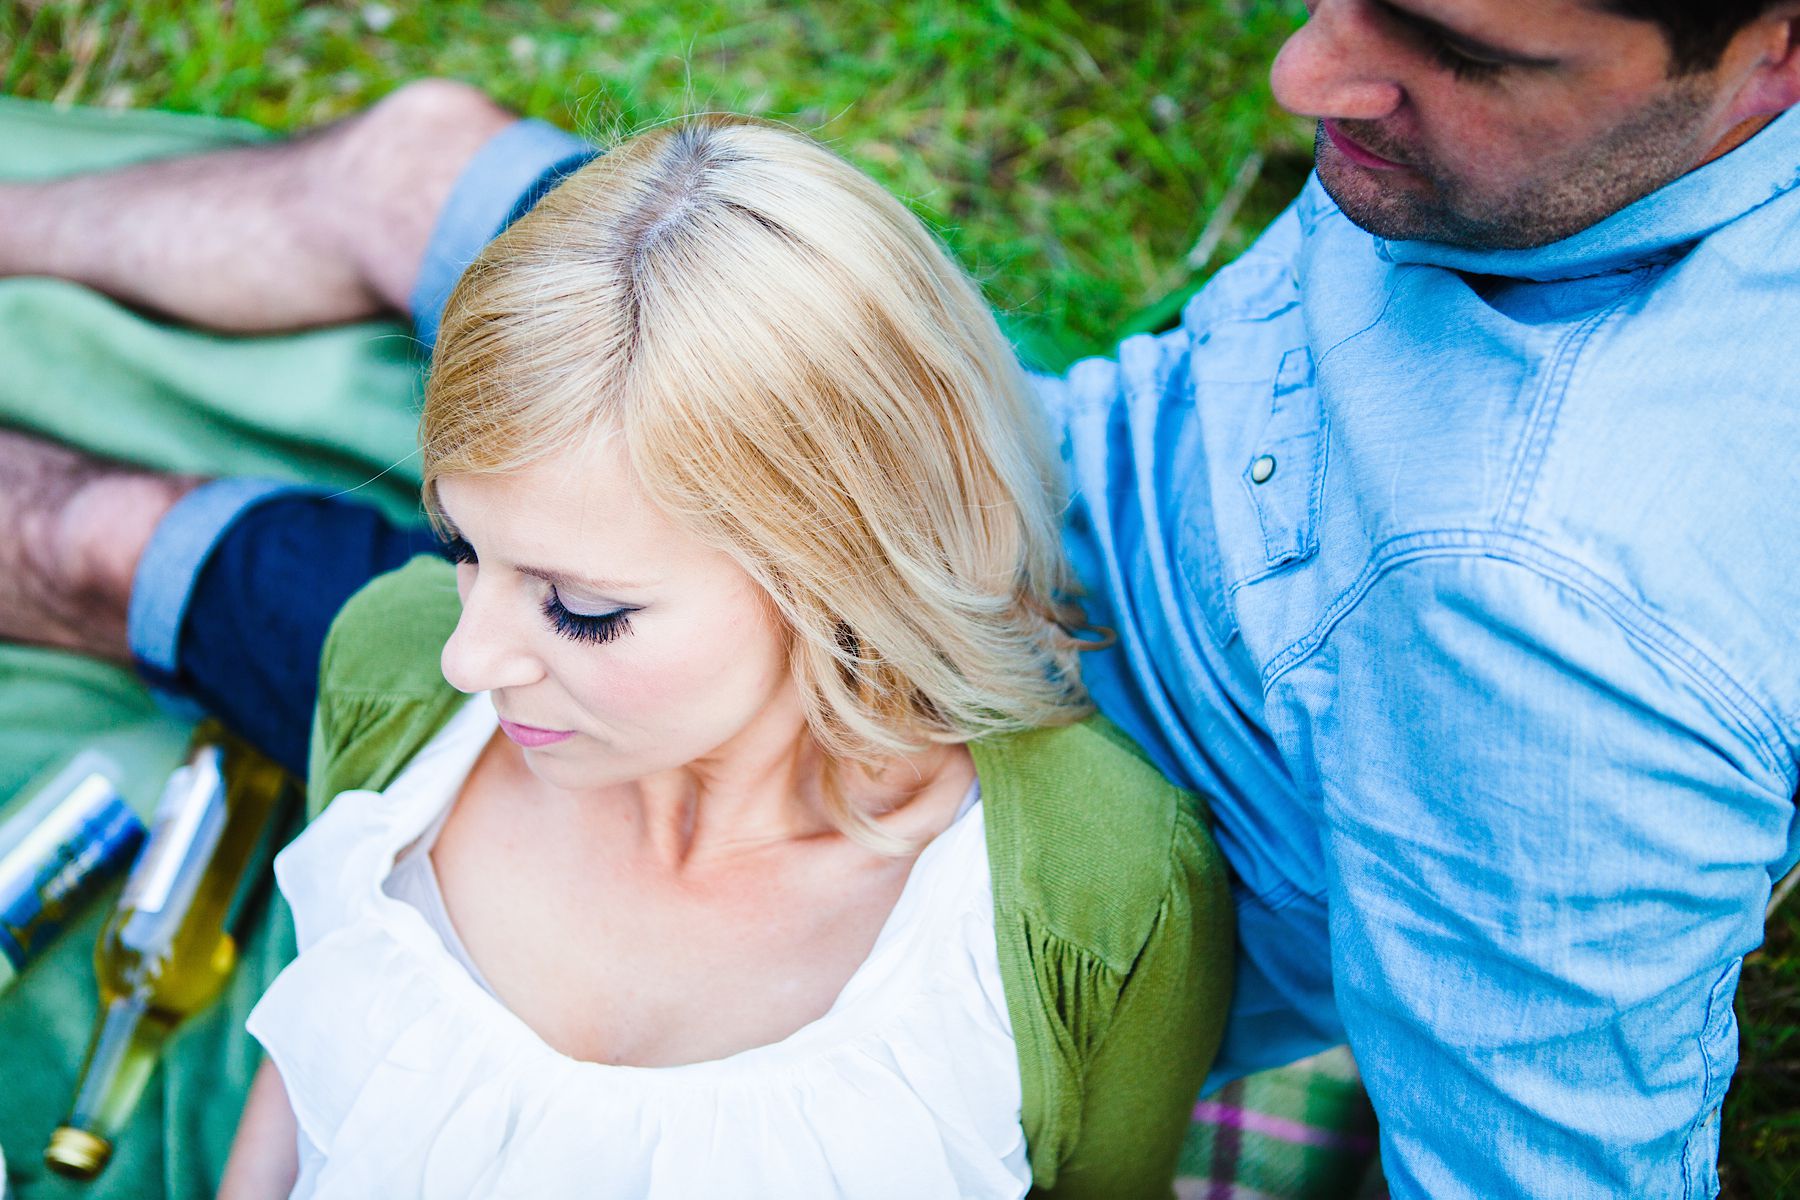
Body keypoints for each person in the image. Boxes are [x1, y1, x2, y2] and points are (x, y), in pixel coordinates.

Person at [3, 0, 1799, 1194]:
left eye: (1449, 46)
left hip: (929, 642)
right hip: (965, 454)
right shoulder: (1540, 127)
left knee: (108, 540)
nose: (1302, 76)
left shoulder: (1563, 658)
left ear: (1768, 53)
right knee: (413, 170)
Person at [206, 115, 1232, 1198]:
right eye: (463, 547)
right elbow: (321, 1053)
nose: (467, 658)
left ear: (843, 570)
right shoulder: (390, 675)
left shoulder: (1100, 893)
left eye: (583, 609)